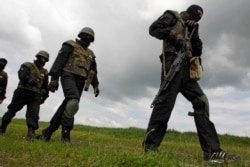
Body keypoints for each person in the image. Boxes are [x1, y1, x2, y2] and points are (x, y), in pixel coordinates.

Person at [142, 4, 240, 163]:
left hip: (187, 70)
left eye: (200, 17)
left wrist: (194, 34)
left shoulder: (192, 28)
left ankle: (212, 152)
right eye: (196, 15)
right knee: (164, 105)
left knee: (201, 101)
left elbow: (198, 51)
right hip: (173, 63)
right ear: (190, 12)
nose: (197, 17)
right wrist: (175, 36)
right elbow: (154, 29)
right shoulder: (173, 16)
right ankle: (150, 148)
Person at [41, 27, 100, 143]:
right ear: (80, 35)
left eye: (90, 37)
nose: (87, 38)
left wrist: (95, 85)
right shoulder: (70, 45)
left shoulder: (91, 54)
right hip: (68, 75)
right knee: (73, 101)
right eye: (85, 35)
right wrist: (54, 79)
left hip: (81, 81)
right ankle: (65, 134)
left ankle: (48, 132)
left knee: (67, 105)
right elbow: (60, 61)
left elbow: (93, 71)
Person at [0, 51, 49, 139]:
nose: (43, 60)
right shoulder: (27, 65)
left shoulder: (45, 72)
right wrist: (28, 80)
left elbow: (45, 86)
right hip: (22, 91)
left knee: (33, 115)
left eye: (45, 59)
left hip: (35, 95)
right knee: (12, 110)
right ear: (37, 57)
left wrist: (44, 96)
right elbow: (21, 75)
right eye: (42, 58)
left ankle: (31, 133)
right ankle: (2, 128)